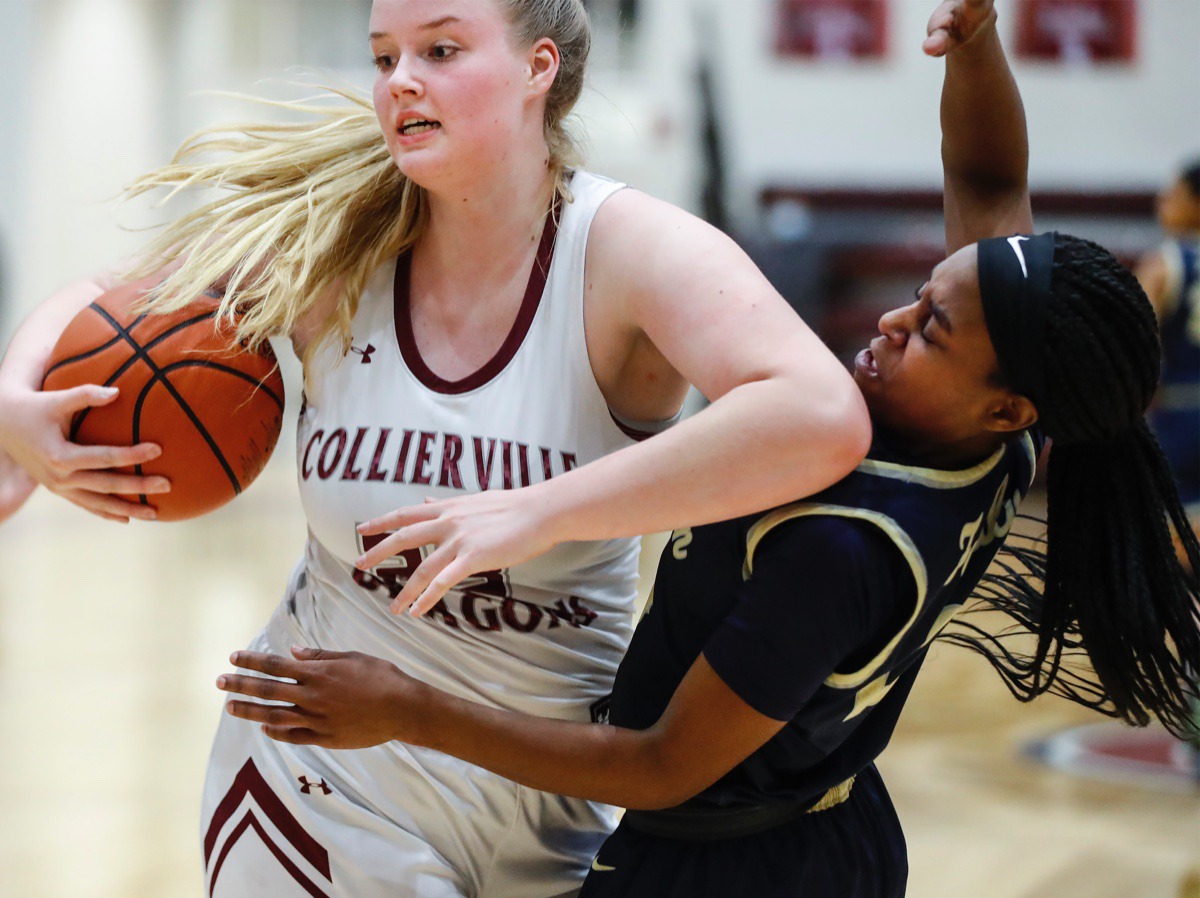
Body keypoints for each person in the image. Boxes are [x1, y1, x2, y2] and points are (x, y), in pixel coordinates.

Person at [216, 2, 1200, 897]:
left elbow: (656, 763)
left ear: (1005, 408)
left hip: (731, 859)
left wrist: (411, 709)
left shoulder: (841, 548)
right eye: (923, 293)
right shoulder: (999, 442)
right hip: (820, 818)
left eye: (932, 331)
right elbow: (989, 180)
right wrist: (978, 48)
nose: (898, 320)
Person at [0, 0, 872, 895]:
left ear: (539, 69)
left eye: (441, 49)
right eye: (384, 58)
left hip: (554, 788)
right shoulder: (336, 245)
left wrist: (535, 511)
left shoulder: (620, 250)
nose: (400, 80)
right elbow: (107, 293)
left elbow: (822, 415)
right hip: (323, 778)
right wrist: (14, 400)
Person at [1136, 158, 1199, 535]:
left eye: (1173, 195)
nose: (1163, 202)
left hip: (1181, 413)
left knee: (1169, 541)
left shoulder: (1164, 263)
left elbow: (1134, 342)